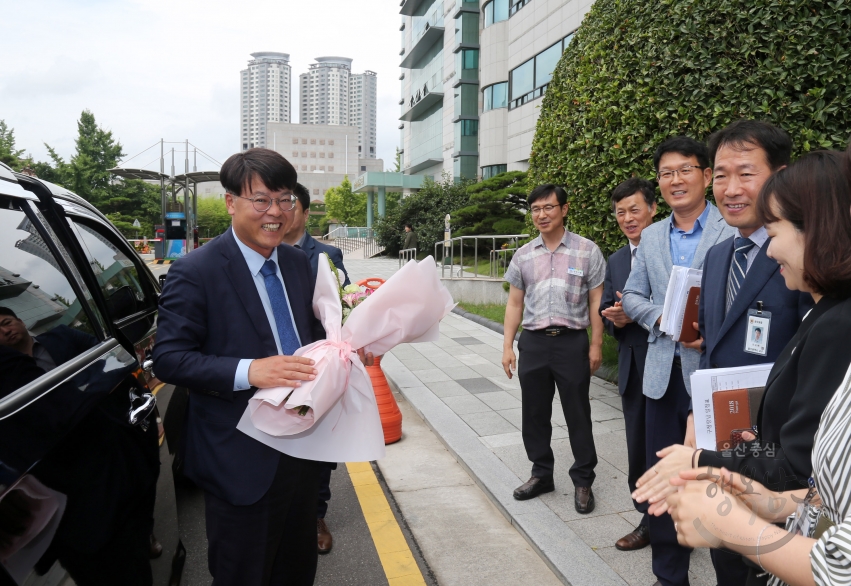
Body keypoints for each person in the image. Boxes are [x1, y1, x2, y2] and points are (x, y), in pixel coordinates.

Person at [153, 148, 372, 586]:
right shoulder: (196, 271)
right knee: (244, 574)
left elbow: (313, 337)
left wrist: (347, 350)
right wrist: (250, 371)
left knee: (296, 569)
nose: (276, 213)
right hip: (240, 459)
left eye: (285, 199)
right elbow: (170, 358)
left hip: (303, 449)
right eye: (262, 200)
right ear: (232, 201)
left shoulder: (296, 263)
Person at [635, 120, 814, 585]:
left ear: (782, 176)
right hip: (722, 448)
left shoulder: (804, 257)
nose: (730, 189)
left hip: (779, 461)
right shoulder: (718, 257)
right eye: (721, 176)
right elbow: (711, 350)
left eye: (746, 174)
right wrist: (698, 424)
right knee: (727, 566)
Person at [666, 147, 851, 586]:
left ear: (819, 229)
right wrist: (761, 494)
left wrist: (729, 518)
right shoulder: (721, 258)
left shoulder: (837, 322)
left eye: (775, 230)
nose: (770, 250)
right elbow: (825, 492)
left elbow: (837, 565)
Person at [621, 136, 736, 586]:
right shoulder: (650, 235)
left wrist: (708, 326)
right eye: (666, 173)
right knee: (666, 478)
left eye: (685, 170)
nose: (675, 180)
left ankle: (731, 563)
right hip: (662, 378)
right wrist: (667, 321)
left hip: (715, 376)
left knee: (720, 475)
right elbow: (631, 295)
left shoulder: (732, 227)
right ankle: (669, 575)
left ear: (706, 176)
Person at [0, 307, 160, 585]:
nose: (5, 331)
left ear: (20, 321)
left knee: (131, 524)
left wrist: (79, 398)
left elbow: (112, 360)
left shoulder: (62, 337)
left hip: (107, 449)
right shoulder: (7, 370)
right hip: (54, 482)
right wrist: (84, 393)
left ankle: (145, 534)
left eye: (6, 323)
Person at [502, 184, 605, 512]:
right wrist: (508, 346)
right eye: (535, 209)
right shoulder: (524, 255)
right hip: (533, 343)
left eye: (548, 207)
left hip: (572, 342)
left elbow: (596, 302)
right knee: (534, 413)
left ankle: (583, 480)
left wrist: (596, 345)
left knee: (578, 412)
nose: (541, 215)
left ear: (564, 209)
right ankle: (541, 474)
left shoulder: (587, 251)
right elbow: (514, 304)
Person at [282, 182, 349, 555]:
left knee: (319, 445)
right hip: (271, 368)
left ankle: (316, 514)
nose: (278, 212)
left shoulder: (326, 254)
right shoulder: (263, 253)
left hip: (314, 369)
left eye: (289, 204)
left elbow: (346, 306)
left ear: (305, 213)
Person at [600, 178, 657, 551]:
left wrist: (637, 312)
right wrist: (615, 318)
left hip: (671, 363)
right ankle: (647, 515)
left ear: (653, 209)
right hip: (633, 364)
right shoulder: (617, 260)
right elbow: (606, 309)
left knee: (668, 445)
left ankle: (663, 520)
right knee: (638, 446)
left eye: (634, 209)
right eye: (621, 212)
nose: (628, 218)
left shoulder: (671, 250)